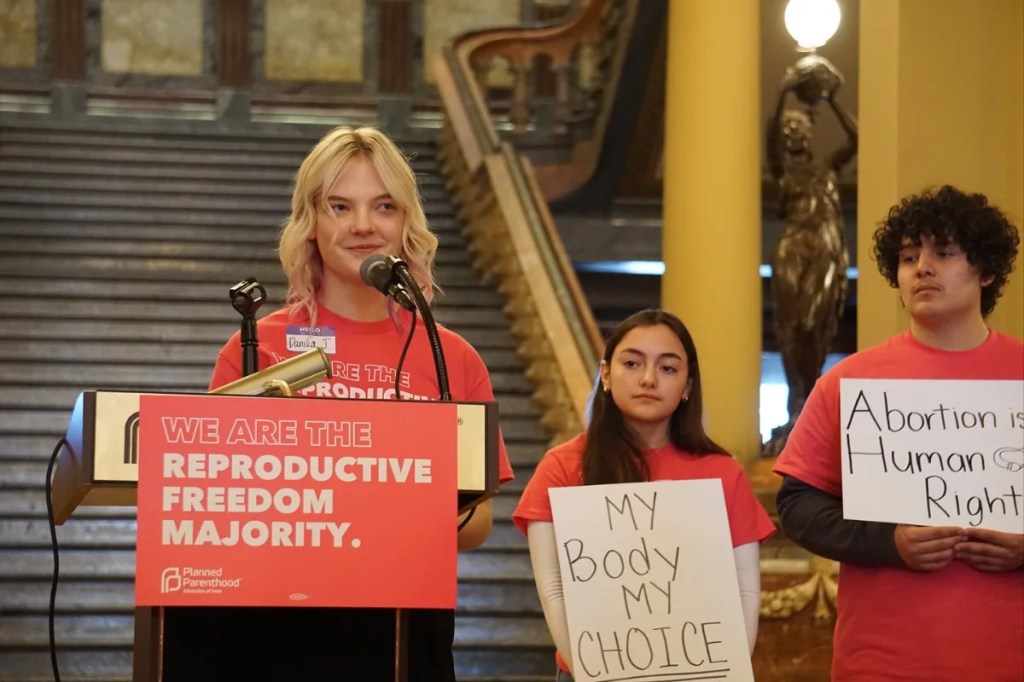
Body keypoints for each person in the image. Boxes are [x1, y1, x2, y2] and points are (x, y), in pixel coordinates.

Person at [178, 125, 514, 681]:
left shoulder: (451, 355)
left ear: (406, 222)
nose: (363, 225)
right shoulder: (258, 347)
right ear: (311, 223)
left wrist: (382, 510)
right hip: (272, 626)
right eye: (340, 206)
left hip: (407, 625)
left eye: (384, 206)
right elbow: (219, 499)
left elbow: (478, 522)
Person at [773, 184, 1024, 681]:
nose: (922, 267)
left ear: (987, 270)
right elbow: (796, 505)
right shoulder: (849, 382)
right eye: (909, 257)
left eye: (944, 253)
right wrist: (889, 542)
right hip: (883, 661)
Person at [513, 308, 776, 681]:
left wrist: (726, 667)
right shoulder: (562, 466)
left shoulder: (722, 473)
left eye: (668, 368)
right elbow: (553, 587)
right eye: (632, 363)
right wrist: (594, 671)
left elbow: (745, 591)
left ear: (687, 386)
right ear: (605, 374)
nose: (649, 379)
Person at [762, 54, 858, 457]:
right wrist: (783, 91)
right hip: (793, 244)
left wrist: (834, 99)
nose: (791, 133)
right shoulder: (784, 172)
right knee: (789, 324)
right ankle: (795, 405)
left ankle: (807, 403)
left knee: (813, 322)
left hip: (826, 245)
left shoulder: (828, 169)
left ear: (809, 131)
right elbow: (767, 140)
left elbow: (857, 139)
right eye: (787, 129)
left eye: (797, 126)